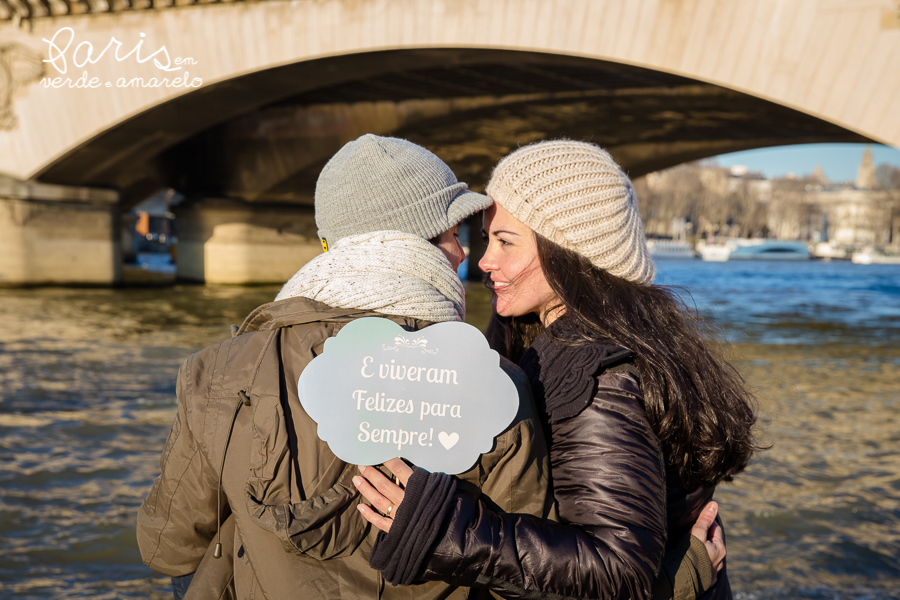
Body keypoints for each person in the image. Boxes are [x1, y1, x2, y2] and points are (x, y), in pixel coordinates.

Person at [136, 134, 553, 600]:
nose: (464, 256)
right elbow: (524, 577)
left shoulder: (220, 371)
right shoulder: (494, 385)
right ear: (410, 242)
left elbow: (166, 548)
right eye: (454, 235)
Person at [357, 139, 759, 600]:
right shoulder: (555, 338)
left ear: (571, 250)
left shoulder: (600, 373)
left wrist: (446, 530)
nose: (485, 261)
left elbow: (617, 567)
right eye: (488, 239)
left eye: (506, 242)